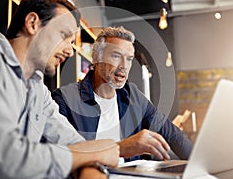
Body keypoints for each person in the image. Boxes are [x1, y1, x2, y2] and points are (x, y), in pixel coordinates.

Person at [0, 0, 119, 179]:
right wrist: (92, 154)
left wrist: (89, 162)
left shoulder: (38, 90)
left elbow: (75, 144)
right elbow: (5, 161)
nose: (70, 51)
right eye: (64, 35)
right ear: (32, 23)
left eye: (72, 42)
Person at [52, 26, 192, 162]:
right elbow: (62, 155)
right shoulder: (64, 99)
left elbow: (173, 134)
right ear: (96, 58)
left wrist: (199, 164)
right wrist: (119, 148)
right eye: (116, 56)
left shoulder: (134, 96)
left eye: (129, 59)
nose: (124, 65)